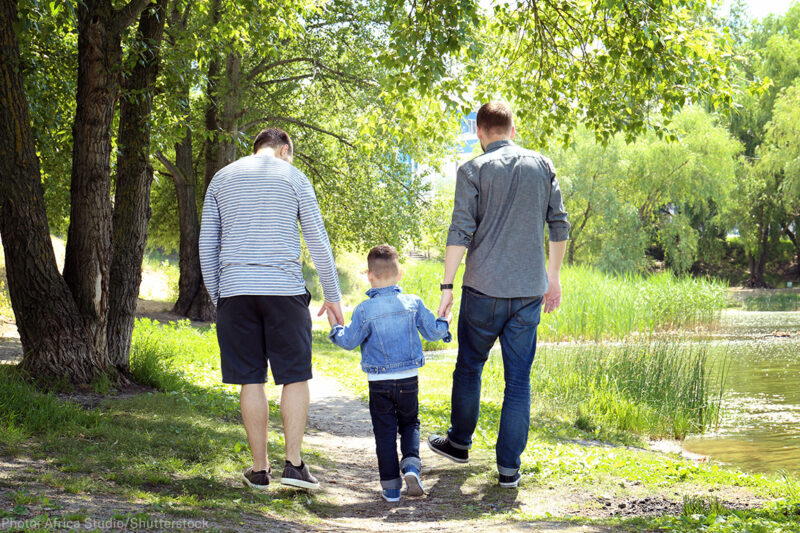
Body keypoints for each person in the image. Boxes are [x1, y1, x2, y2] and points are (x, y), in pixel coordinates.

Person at [428, 101, 570, 488]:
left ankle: (459, 443)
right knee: (518, 382)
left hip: (483, 288)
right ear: (512, 127)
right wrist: (552, 278)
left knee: (470, 367)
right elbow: (559, 224)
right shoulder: (542, 164)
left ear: (479, 131)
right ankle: (509, 470)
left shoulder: (472, 169)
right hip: (528, 291)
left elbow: (460, 230)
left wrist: (446, 286)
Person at [199, 127, 344, 491]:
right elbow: (317, 240)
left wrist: (222, 298)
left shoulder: (221, 178)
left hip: (236, 292)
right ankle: (293, 466)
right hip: (284, 292)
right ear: (285, 150)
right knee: (294, 376)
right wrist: (333, 294)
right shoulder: (294, 177)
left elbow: (206, 246)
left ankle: (260, 470)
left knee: (251, 378)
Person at [326, 244, 452, 502]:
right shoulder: (413, 303)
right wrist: (445, 321)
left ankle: (391, 489)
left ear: (369, 275)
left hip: (378, 384)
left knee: (384, 432)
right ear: (400, 273)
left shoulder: (364, 309)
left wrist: (335, 327)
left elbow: (349, 341)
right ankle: (412, 468)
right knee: (410, 423)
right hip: (408, 379)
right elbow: (434, 333)